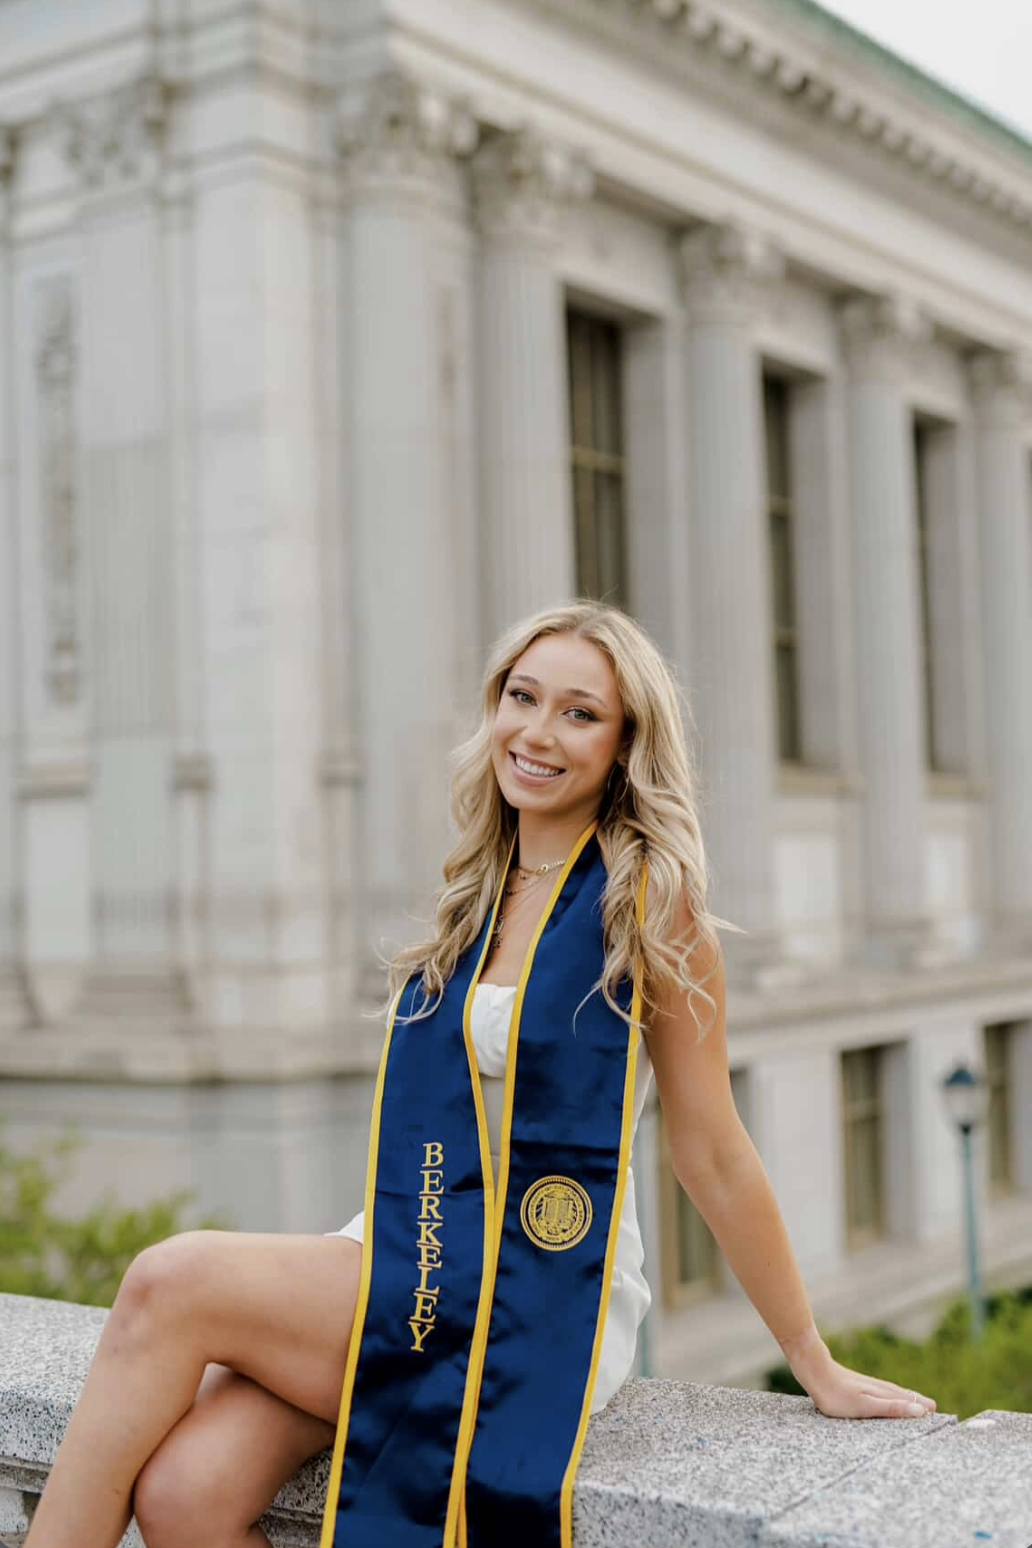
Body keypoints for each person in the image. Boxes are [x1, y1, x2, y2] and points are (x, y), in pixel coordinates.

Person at [24, 599, 937, 1548]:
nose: (537, 733)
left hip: (537, 1279)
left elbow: (712, 1149)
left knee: (171, 1279)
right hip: (413, 1247)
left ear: (626, 745)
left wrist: (811, 1359)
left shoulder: (651, 915)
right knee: (185, 1493)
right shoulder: (473, 899)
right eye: (521, 697)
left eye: (580, 713)